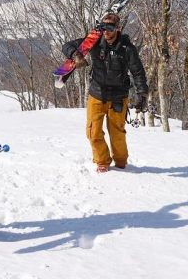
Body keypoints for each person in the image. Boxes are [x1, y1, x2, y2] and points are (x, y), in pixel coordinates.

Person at [62, 11, 148, 173]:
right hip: (97, 94)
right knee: (93, 132)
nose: (106, 31)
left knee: (117, 134)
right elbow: (67, 46)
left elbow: (138, 72)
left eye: (110, 27)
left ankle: (121, 162)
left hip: (118, 96)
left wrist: (142, 94)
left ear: (118, 28)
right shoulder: (93, 42)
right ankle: (102, 161)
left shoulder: (127, 48)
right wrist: (76, 55)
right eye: (103, 27)